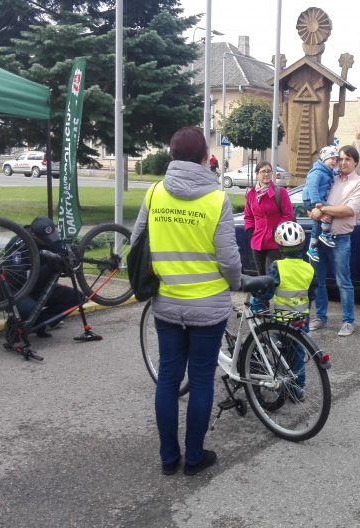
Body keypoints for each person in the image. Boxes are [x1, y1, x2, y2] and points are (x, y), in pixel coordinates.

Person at [130, 127, 241, 477]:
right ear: (203, 158)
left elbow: (136, 244)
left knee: (168, 379)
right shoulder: (216, 200)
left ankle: (168, 459)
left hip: (166, 304)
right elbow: (229, 259)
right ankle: (194, 458)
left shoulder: (154, 194)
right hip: (209, 308)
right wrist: (236, 283)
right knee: (203, 380)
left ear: (171, 155)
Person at [308, 145, 360, 337]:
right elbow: (311, 204)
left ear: (355, 163)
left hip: (340, 239)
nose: (343, 162)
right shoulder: (330, 175)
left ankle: (348, 321)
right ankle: (320, 317)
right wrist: (313, 212)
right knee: (318, 281)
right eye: (341, 158)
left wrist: (322, 210)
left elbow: (348, 210)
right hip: (319, 237)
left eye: (348, 160)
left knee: (343, 282)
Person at [250, 221, 317, 400]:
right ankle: (297, 389)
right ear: (302, 244)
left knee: (276, 347)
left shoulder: (277, 267)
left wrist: (254, 304)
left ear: (279, 246)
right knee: (298, 353)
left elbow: (268, 292)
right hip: (301, 320)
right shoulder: (309, 268)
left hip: (281, 319)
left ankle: (278, 378)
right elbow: (312, 293)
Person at [3, 217, 83, 338]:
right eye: (46, 240)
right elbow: (16, 278)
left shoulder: (51, 238)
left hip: (42, 288)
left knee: (78, 297)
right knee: (31, 312)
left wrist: (68, 260)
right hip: (18, 291)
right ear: (35, 236)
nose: (50, 242)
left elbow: (64, 252)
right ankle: (16, 324)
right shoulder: (18, 245)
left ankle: (40, 324)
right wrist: (45, 263)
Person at [243, 161, 293, 274]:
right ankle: (261, 292)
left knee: (271, 275)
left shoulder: (280, 192)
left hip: (275, 241)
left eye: (269, 171)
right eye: (263, 172)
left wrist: (277, 231)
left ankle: (271, 292)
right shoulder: (251, 194)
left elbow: (288, 215)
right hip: (257, 240)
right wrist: (250, 229)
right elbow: (248, 216)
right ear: (257, 174)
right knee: (260, 275)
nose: (266, 174)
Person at [302, 146, 339, 262]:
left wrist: (340, 171)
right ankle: (324, 234)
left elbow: (334, 173)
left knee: (319, 221)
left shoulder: (326, 171)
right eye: (331, 158)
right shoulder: (317, 172)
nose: (334, 161)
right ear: (324, 159)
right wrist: (317, 201)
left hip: (315, 200)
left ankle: (312, 247)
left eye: (336, 159)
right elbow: (312, 187)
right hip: (311, 200)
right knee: (332, 210)